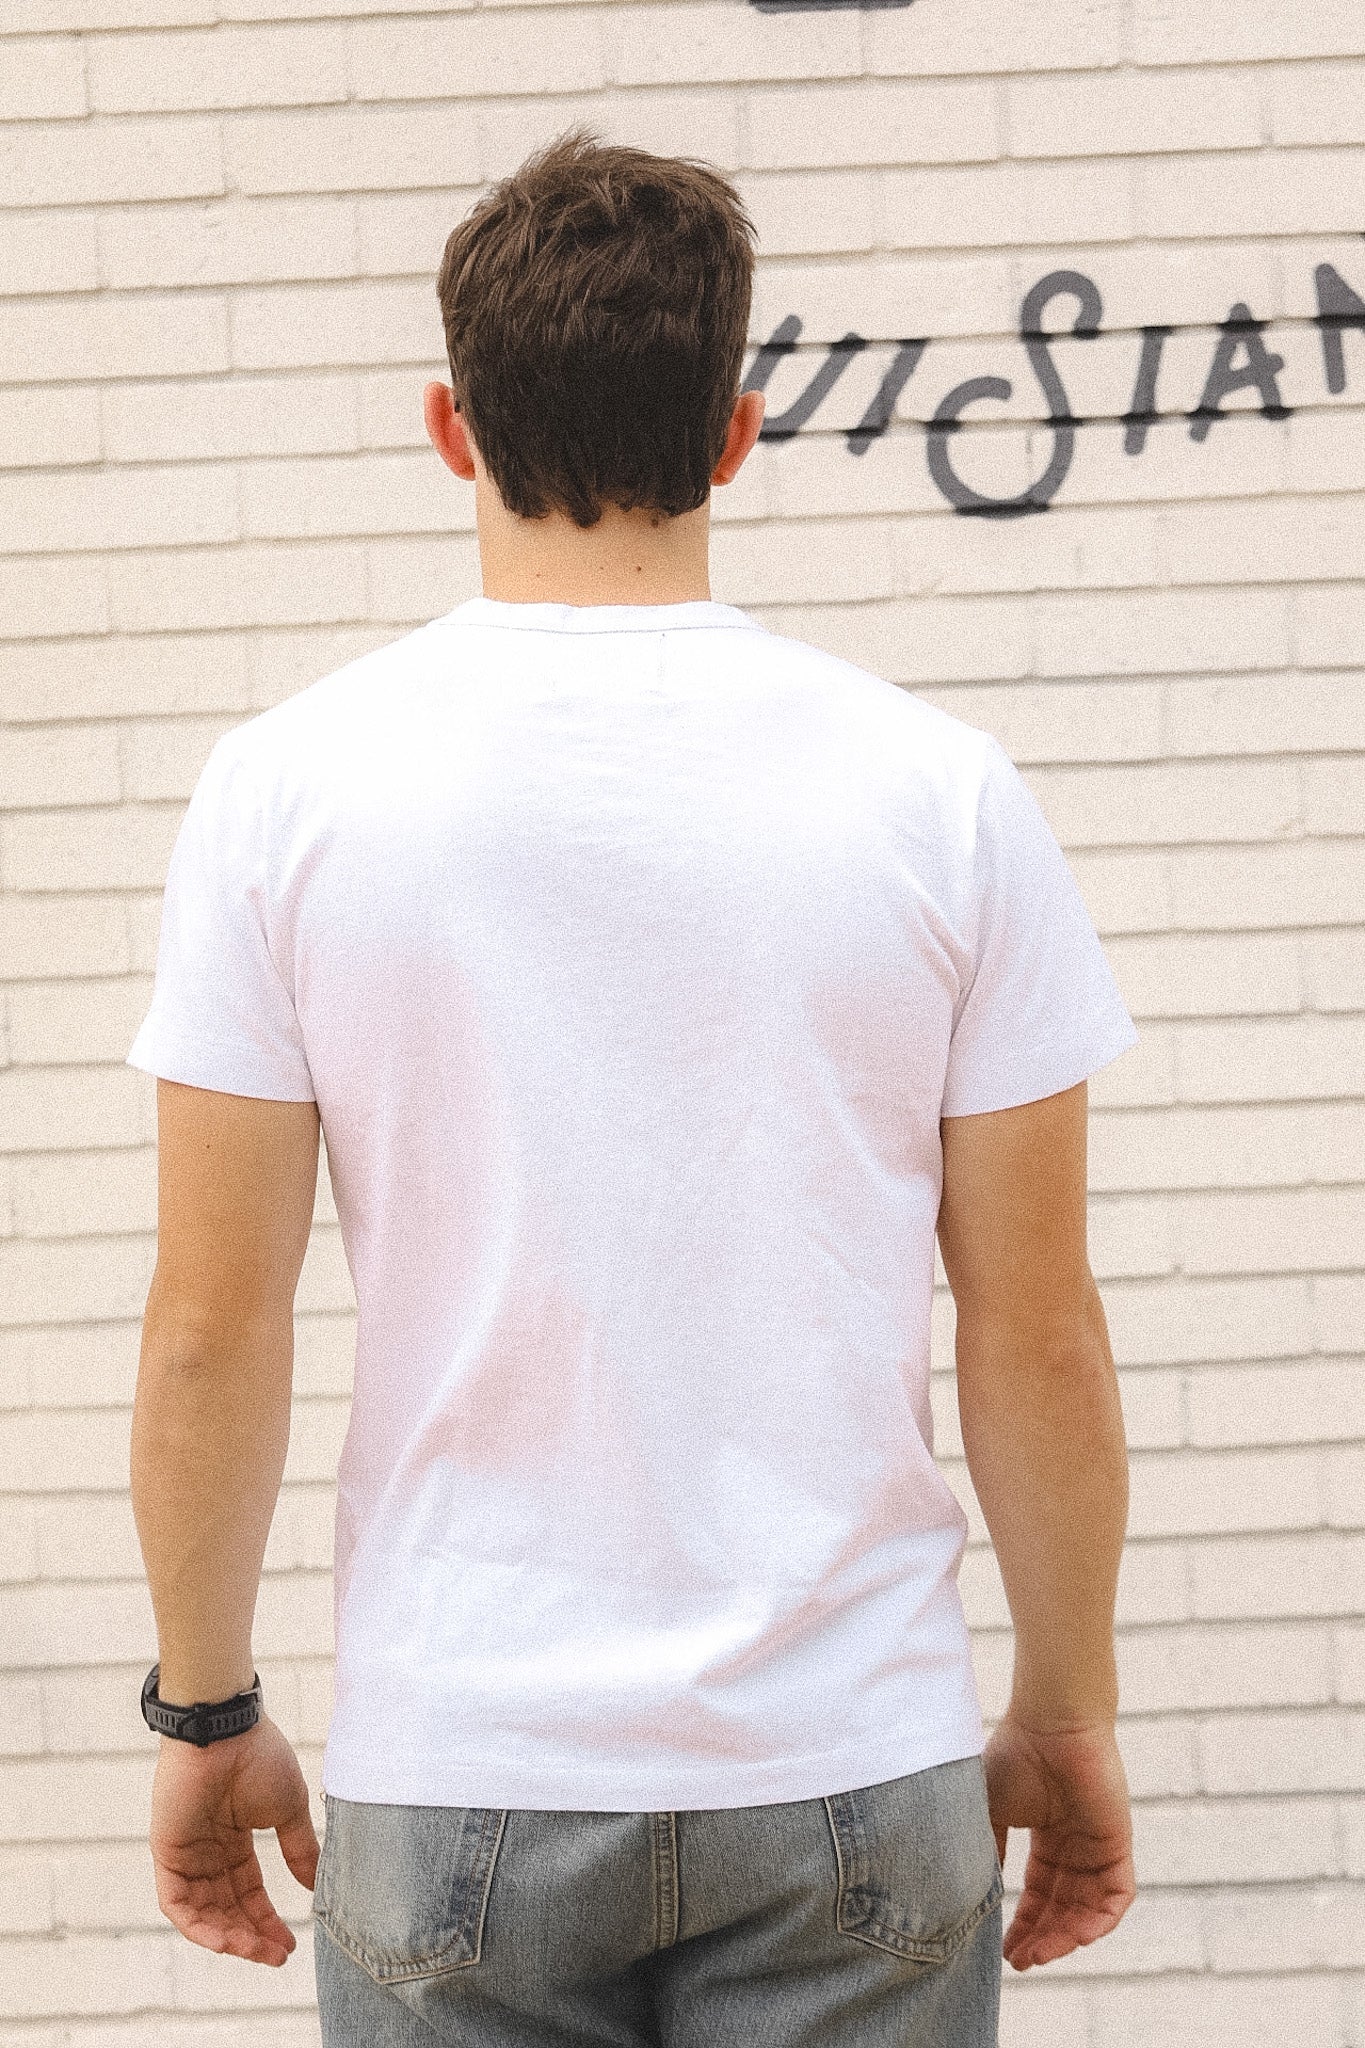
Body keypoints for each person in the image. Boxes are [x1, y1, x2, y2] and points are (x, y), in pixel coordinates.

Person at [126, 129, 1138, 2048]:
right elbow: (1039, 1333)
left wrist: (207, 1707)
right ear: (737, 428)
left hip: (460, 1754)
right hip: (850, 1755)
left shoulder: (285, 794)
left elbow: (207, 1327)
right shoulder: (938, 796)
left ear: (450, 424)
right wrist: (1062, 1710)